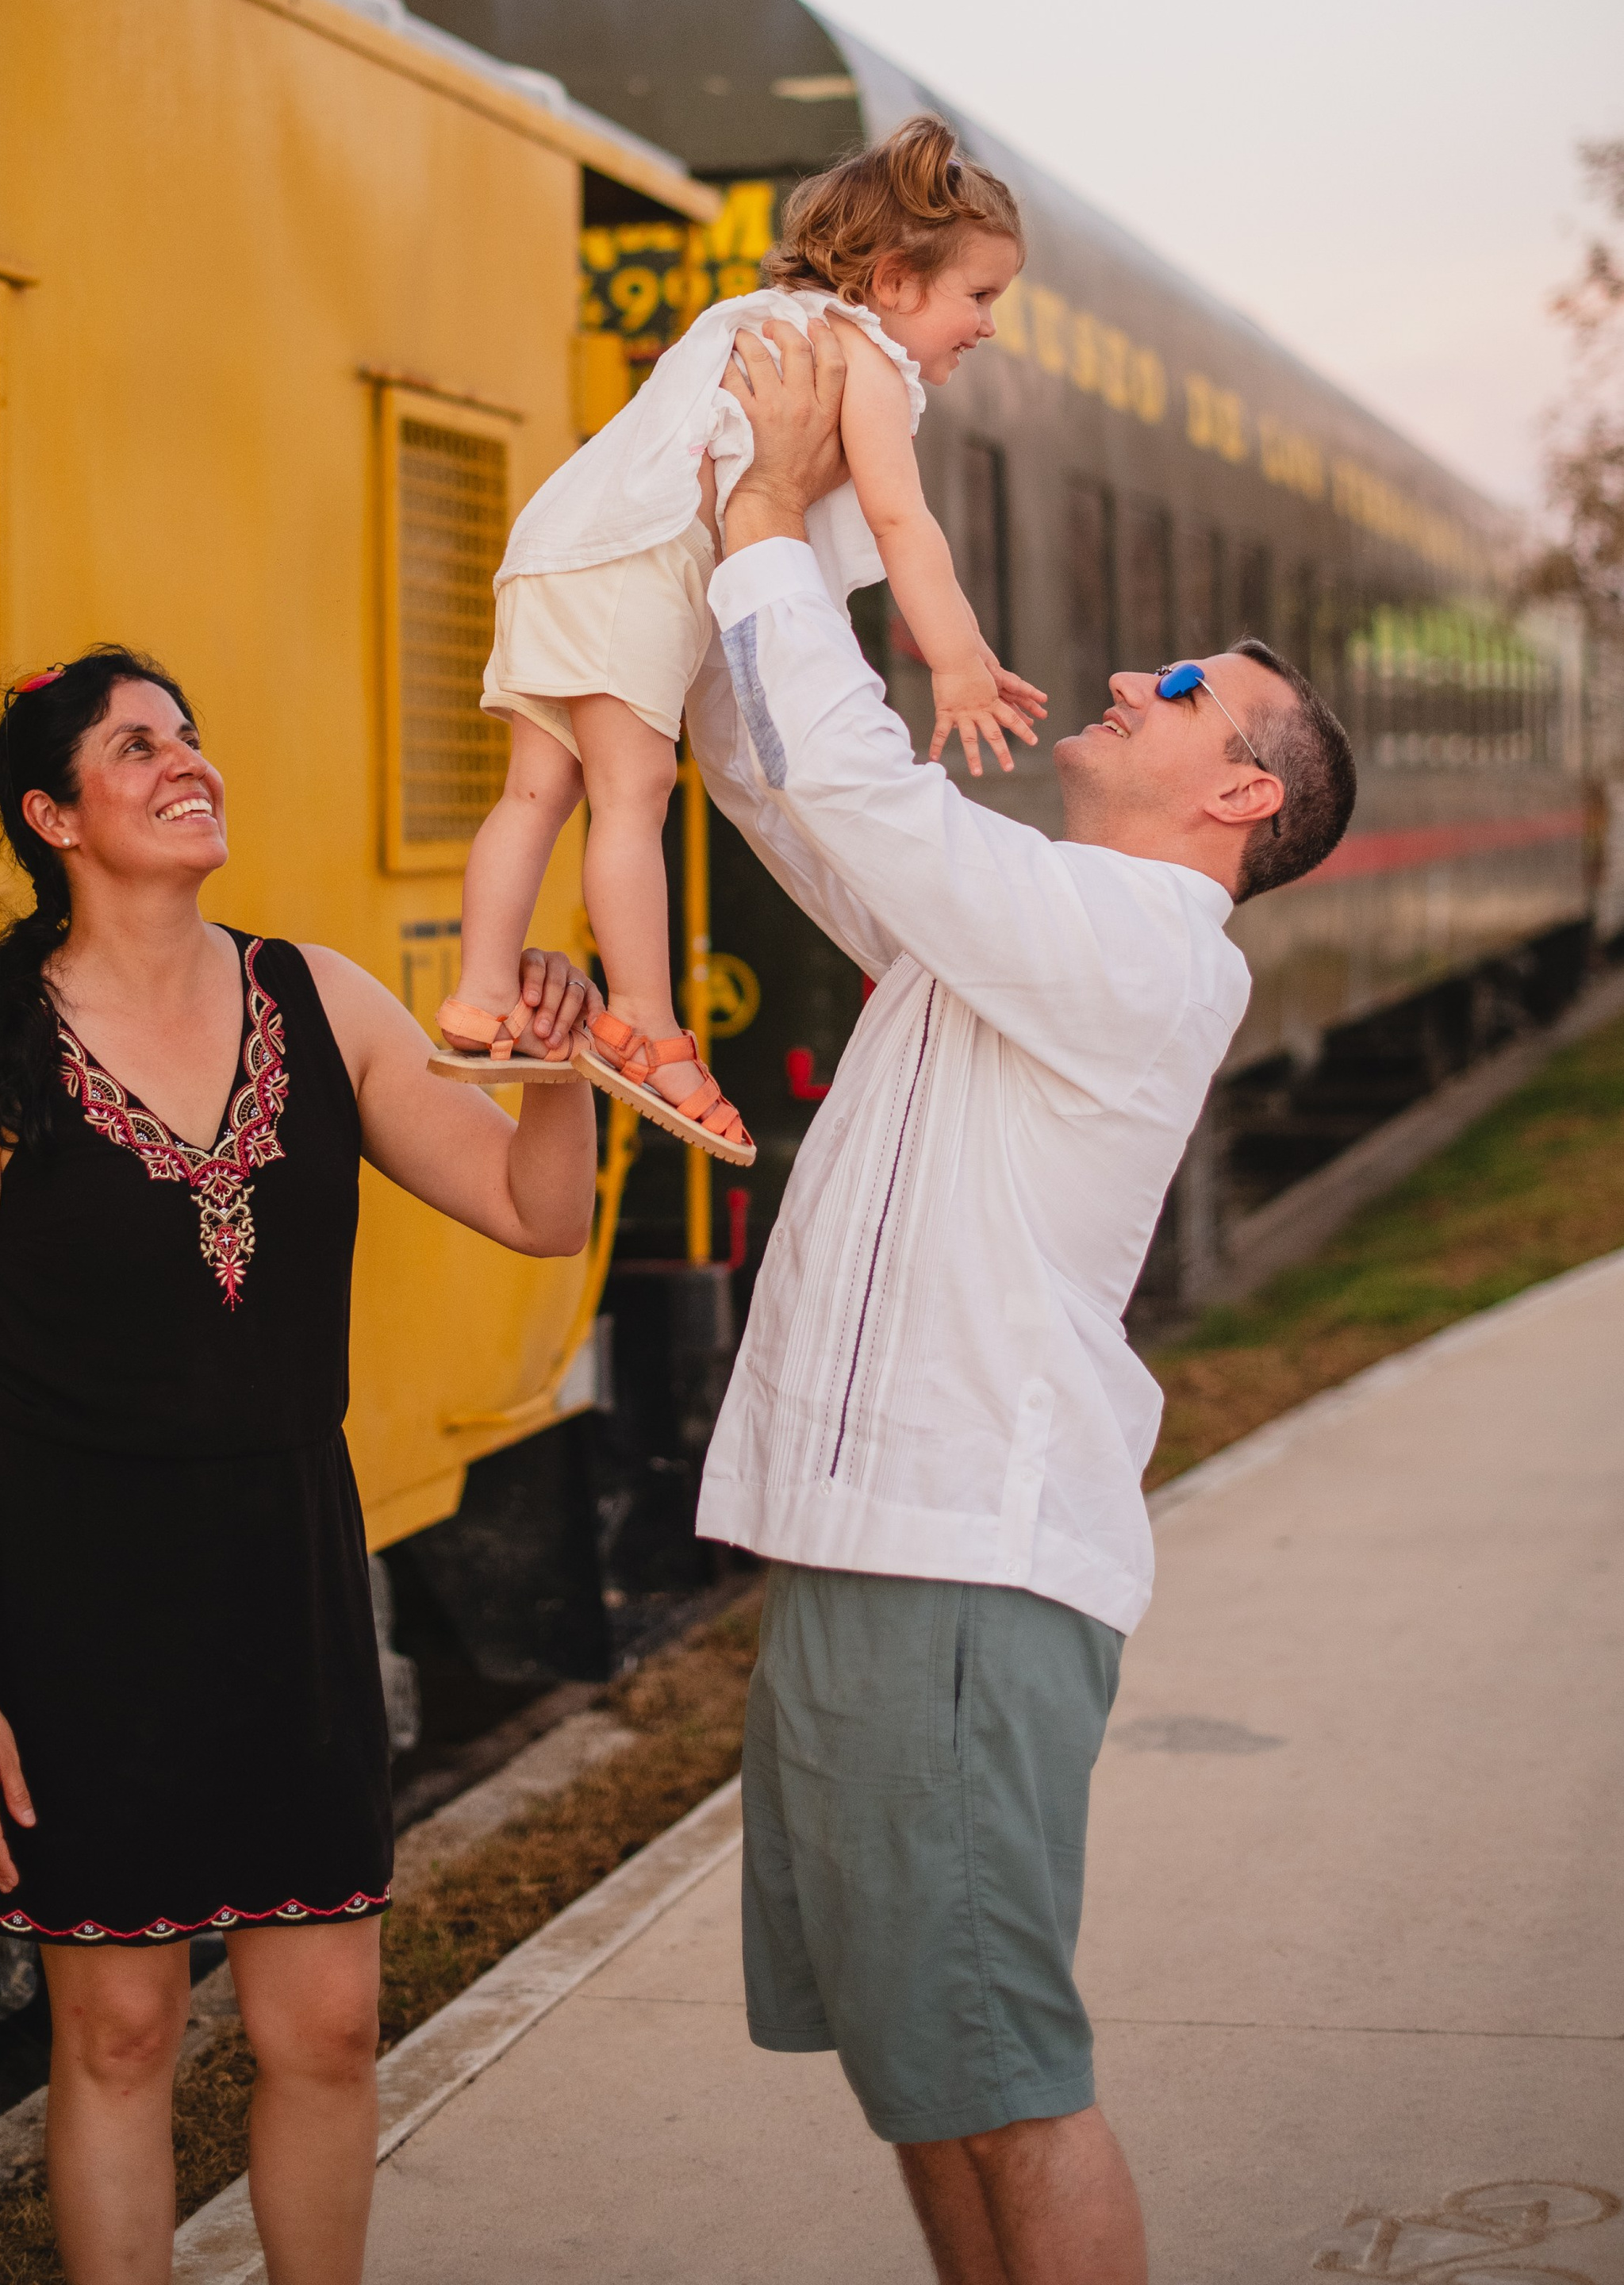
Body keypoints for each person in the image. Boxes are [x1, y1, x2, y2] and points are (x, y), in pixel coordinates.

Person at [685, 323, 1356, 2285]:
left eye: (1180, 690)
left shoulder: (1143, 944)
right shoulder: (1020, 931)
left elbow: (876, 804)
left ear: (1235, 793)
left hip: (962, 1567)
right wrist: (787, 518)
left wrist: (757, 523)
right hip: (868, 1551)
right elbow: (776, 777)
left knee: (1003, 2064)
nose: (1132, 678)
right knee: (921, 2066)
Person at [0, 647, 598, 2285]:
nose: (183, 760)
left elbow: (535, 1209)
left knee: (327, 2027)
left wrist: (563, 1072)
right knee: (124, 2030)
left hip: (284, 1567)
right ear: (54, 812)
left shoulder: (322, 1000)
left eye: (190, 734)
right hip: (77, 1597)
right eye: (136, 746)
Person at [432, 117, 1046, 1164]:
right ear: (894, 280)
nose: (987, 324)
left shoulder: (755, 317)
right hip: (633, 569)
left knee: (537, 793)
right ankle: (644, 1027)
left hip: (554, 544)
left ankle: (481, 995)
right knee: (633, 799)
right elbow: (903, 521)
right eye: (978, 296)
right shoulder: (861, 358)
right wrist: (953, 659)